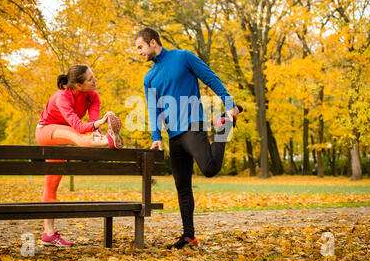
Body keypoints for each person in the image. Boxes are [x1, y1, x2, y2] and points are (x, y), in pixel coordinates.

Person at [134, 28, 242, 249]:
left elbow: (210, 78)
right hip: (174, 136)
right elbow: (153, 109)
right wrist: (156, 136)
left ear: (152, 42)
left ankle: (224, 124)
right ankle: (188, 235)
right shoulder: (149, 78)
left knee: (210, 169)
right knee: (182, 187)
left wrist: (229, 106)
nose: (138, 52)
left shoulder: (183, 57)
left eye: (140, 47)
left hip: (193, 126)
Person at [35, 64, 123, 247]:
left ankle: (48, 234)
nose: (95, 80)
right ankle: (110, 140)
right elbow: (78, 127)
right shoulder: (62, 98)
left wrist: (97, 130)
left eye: (93, 76)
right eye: (91, 79)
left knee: (52, 182)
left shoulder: (93, 97)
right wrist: (99, 127)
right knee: (76, 136)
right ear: (78, 86)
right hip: (46, 131)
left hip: (61, 138)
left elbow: (92, 124)